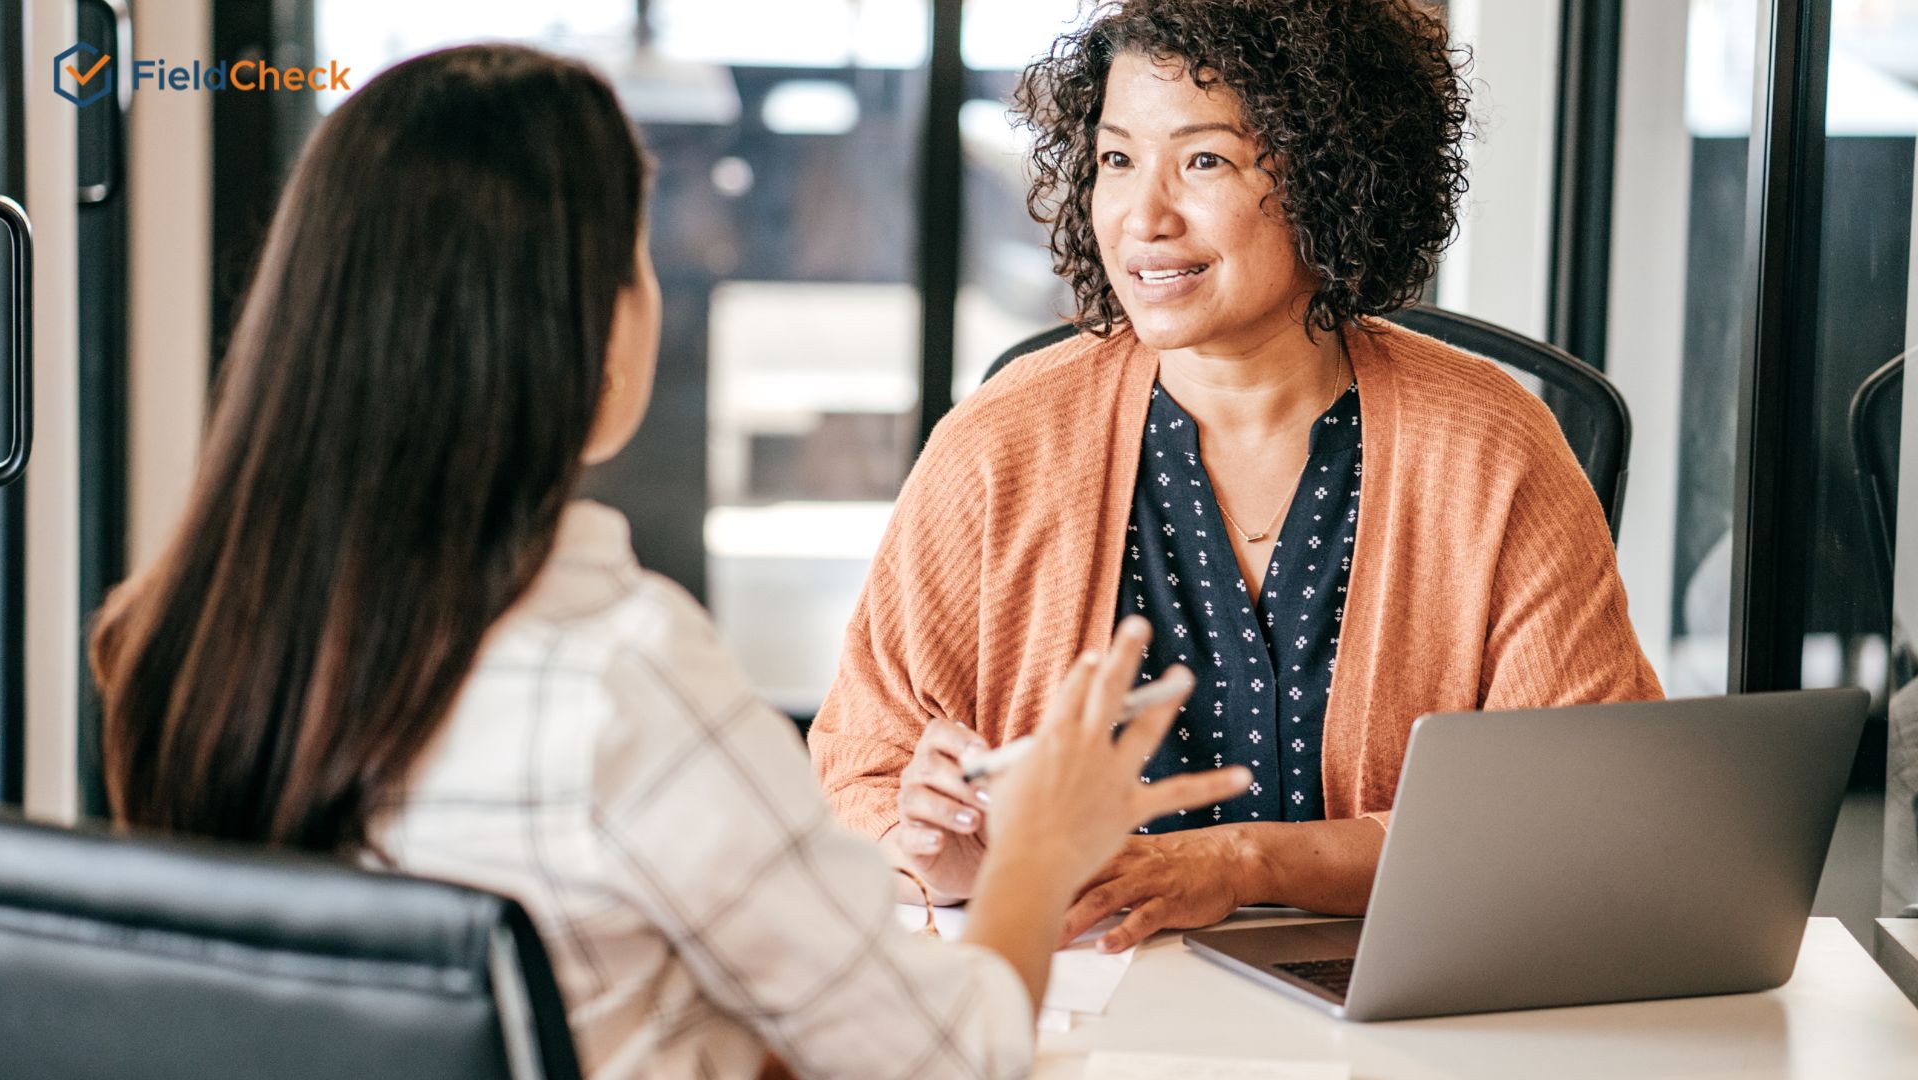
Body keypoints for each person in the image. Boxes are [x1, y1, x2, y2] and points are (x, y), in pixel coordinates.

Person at [89, 44, 1247, 1080]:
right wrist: (1038, 852)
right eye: (638, 260)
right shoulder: (619, 679)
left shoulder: (177, 640)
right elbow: (950, 1059)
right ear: (582, 333)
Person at [809, 0, 1663, 954]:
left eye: (1203, 160)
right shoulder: (999, 443)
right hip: (1082, 994)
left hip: (1395, 1002)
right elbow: (863, 772)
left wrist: (1246, 862)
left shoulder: (1491, 446)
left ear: (1331, 174)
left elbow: (1582, 811)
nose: (1143, 217)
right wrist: (944, 852)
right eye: (1117, 159)